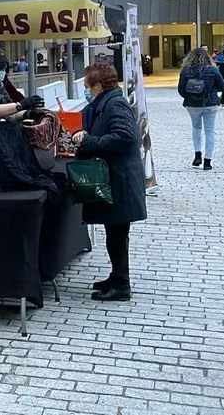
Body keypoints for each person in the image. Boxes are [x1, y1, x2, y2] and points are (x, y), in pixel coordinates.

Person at [70, 63, 147, 302]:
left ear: (98, 86)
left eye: (87, 86)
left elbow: (124, 137)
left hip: (119, 181)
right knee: (114, 232)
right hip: (113, 178)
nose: (85, 90)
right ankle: (116, 276)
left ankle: (121, 285)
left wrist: (90, 141)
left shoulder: (115, 104)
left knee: (117, 232)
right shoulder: (104, 104)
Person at [178, 47, 224, 171]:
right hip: (210, 104)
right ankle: (208, 161)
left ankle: (197, 155)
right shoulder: (213, 70)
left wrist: (191, 98)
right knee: (209, 131)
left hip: (192, 105)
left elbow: (181, 90)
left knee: (196, 128)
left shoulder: (186, 71)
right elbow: (223, 87)